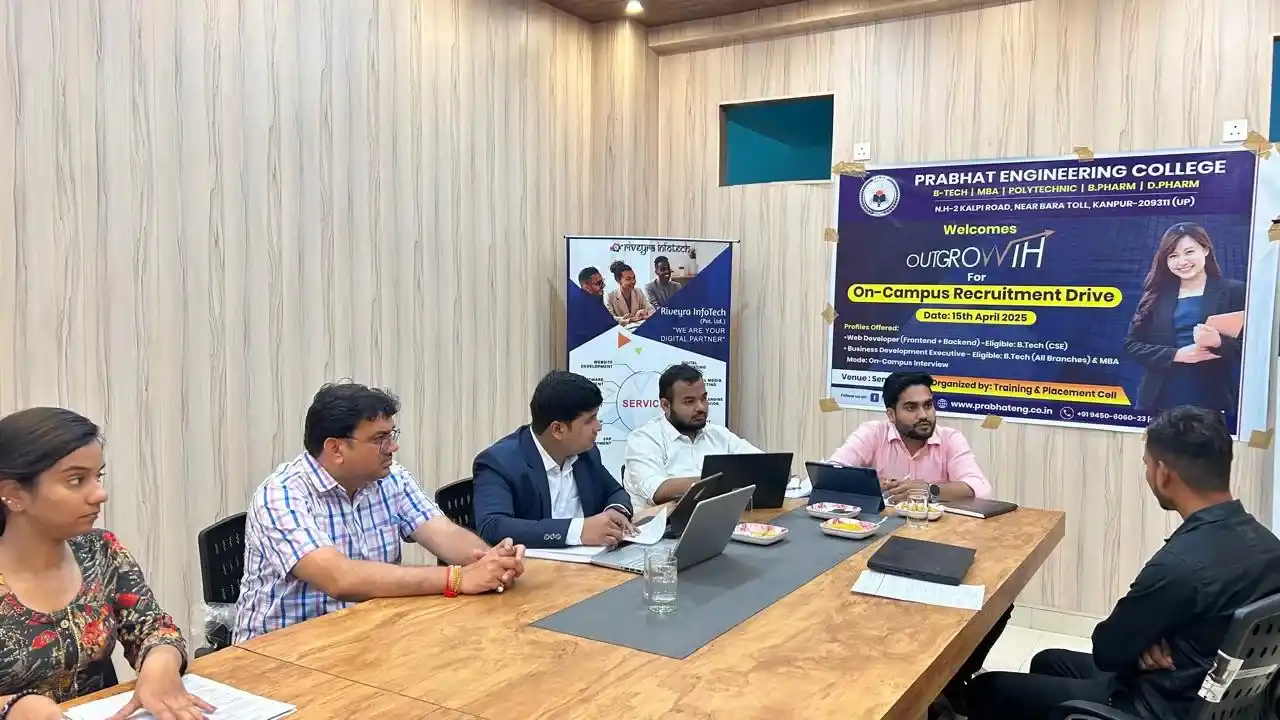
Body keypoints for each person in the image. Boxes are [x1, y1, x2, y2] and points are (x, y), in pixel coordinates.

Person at [966, 406, 1280, 720]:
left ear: (1163, 473)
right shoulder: (1270, 548)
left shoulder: (1179, 566)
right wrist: (1151, 644)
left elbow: (1107, 650)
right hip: (1203, 696)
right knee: (1048, 660)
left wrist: (1141, 645)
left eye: (1146, 464)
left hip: (1150, 706)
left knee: (988, 689)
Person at [235, 383, 524, 642]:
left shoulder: (391, 478)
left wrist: (493, 562)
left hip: (366, 639)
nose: (393, 447)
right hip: (282, 655)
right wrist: (457, 579)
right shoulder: (282, 495)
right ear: (336, 449)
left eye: (392, 435)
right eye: (380, 438)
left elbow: (443, 532)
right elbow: (340, 578)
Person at [0, 408, 209, 720]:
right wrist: (11, 707)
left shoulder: (101, 550)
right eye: (76, 480)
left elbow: (153, 628)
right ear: (14, 494)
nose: (100, 494)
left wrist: (160, 666)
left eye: (98, 477)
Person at [473, 370, 635, 549]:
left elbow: (615, 492)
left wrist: (615, 512)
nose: (598, 427)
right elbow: (492, 527)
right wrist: (578, 531)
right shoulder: (499, 462)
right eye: (590, 420)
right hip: (534, 564)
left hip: (591, 560)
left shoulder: (585, 453)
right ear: (557, 430)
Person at [1124, 222, 1246, 414]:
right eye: (1173, 256)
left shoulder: (1235, 291)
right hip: (1160, 400)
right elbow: (1131, 346)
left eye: (1189, 252)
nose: (1182, 261)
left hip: (1212, 401)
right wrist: (1176, 355)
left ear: (1205, 249)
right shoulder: (1156, 294)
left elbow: (1253, 350)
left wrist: (1219, 342)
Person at [829, 371, 992, 504]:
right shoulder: (873, 433)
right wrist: (870, 485)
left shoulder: (950, 439)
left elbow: (981, 489)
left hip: (935, 528)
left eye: (928, 405)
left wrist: (929, 490)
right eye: (911, 408)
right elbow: (831, 473)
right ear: (891, 415)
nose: (923, 415)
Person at [623, 363, 759, 511]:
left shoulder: (719, 434)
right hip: (663, 523)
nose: (701, 407)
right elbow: (657, 491)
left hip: (719, 517)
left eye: (703, 398)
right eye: (689, 402)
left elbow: (761, 463)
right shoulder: (643, 440)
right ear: (665, 405)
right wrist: (720, 482)